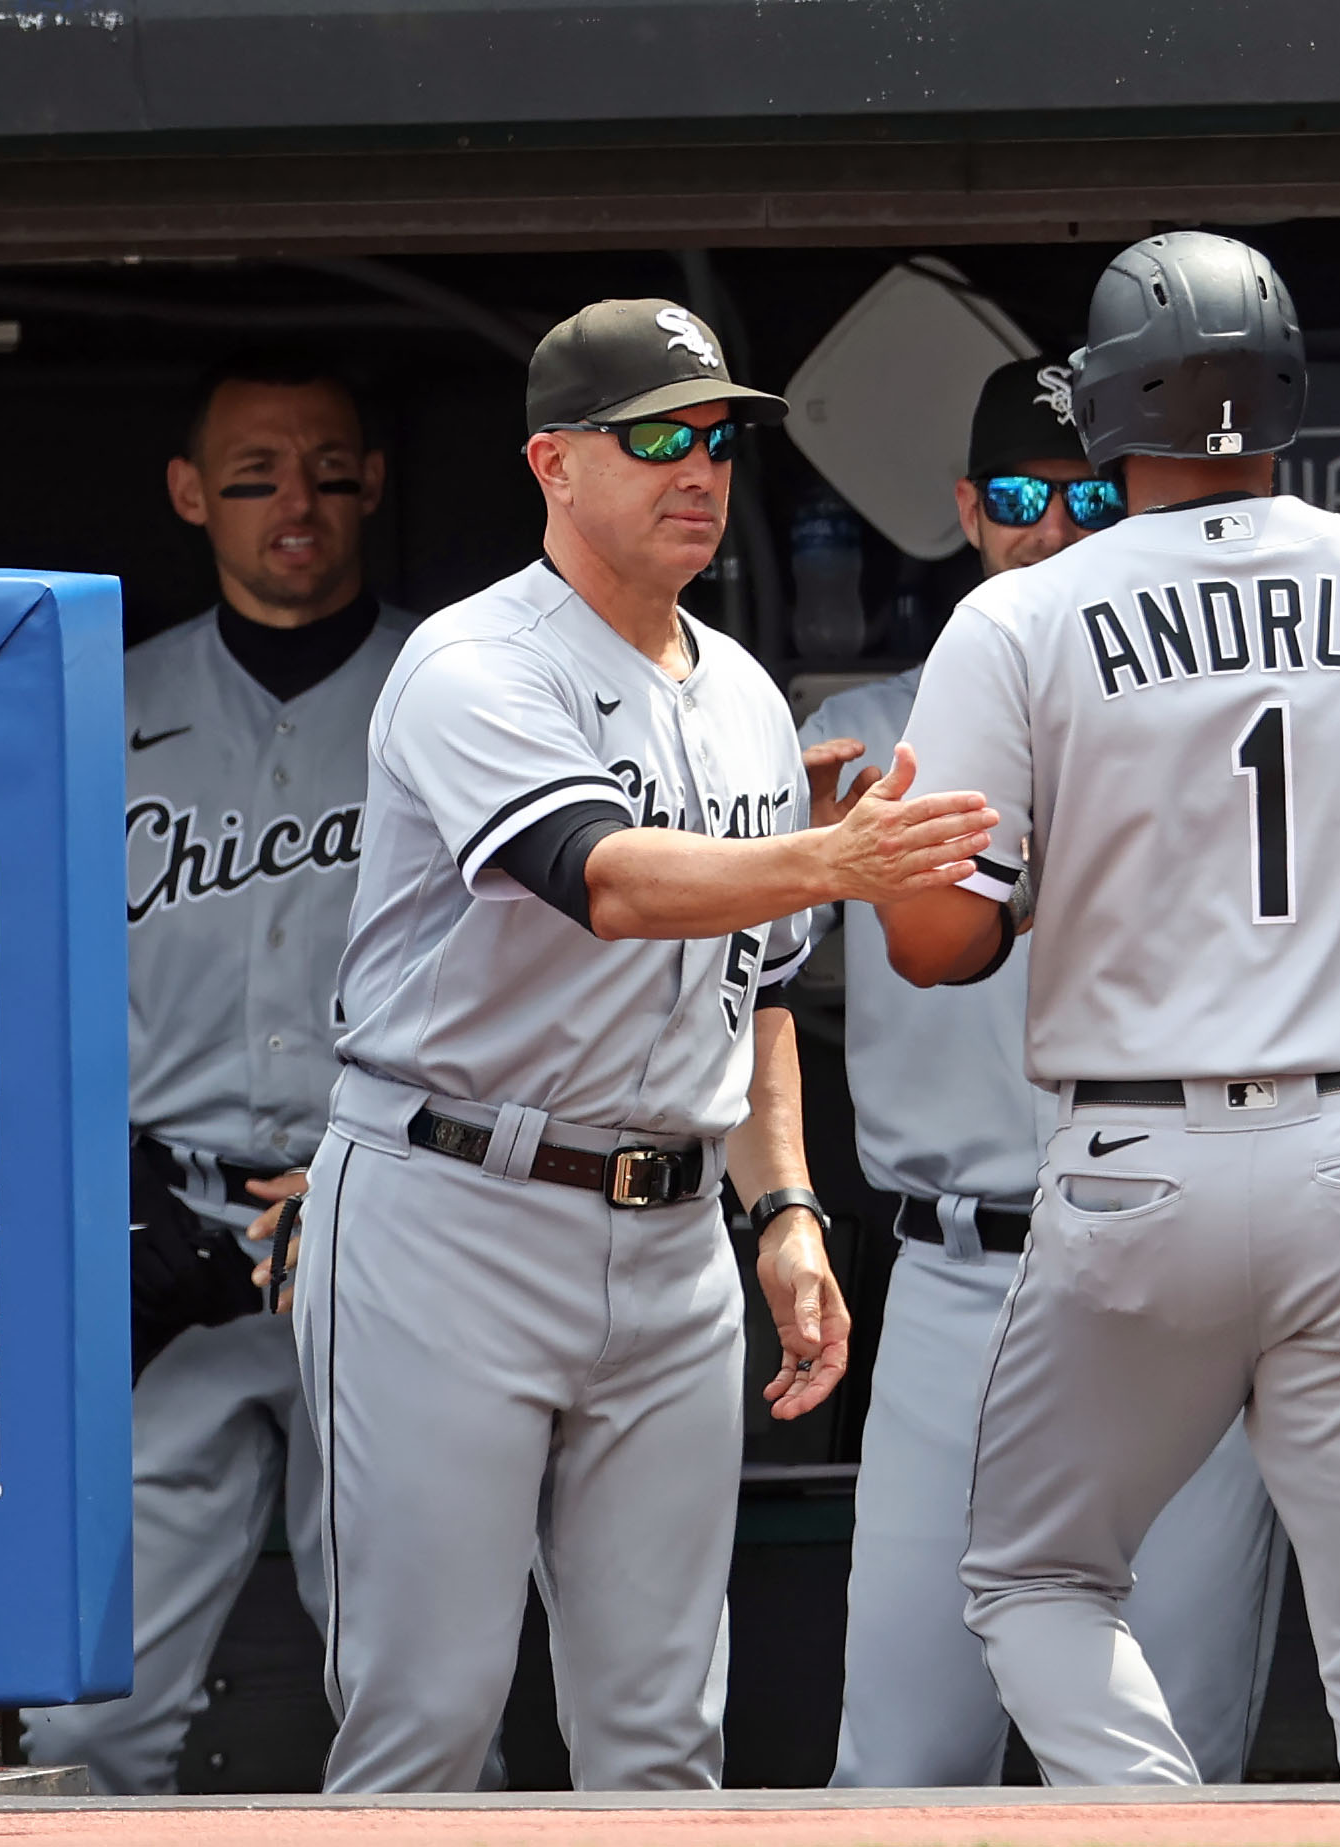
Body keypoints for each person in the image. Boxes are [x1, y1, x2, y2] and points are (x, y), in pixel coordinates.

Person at [881, 233, 1340, 1786]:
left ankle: (1160, 1821)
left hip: (1142, 1157)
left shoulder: (1020, 620)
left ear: (1107, 408)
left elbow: (934, 944)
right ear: (1285, 397)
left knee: (1039, 1576)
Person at [288, 298, 1000, 1792]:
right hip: (453, 1205)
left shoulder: (742, 692)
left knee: (664, 1736)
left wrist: (789, 1206)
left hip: (672, 1231)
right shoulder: (477, 662)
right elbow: (604, 879)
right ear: (552, 460)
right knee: (427, 1712)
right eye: (657, 435)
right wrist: (834, 857)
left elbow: (756, 990)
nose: (699, 467)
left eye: (718, 437)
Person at [803, 357, 1287, 1788]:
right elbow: (749, 985)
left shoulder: (1243, 710)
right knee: (905, 1757)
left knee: (1170, 1753)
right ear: (966, 506)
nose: (1056, 525)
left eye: (1090, 494)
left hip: (1178, 1252)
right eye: (1022, 495)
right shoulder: (860, 728)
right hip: (958, 1271)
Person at [22, 351, 414, 1793]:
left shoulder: (457, 691)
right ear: (192, 495)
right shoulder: (87, 707)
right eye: (252, 475)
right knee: (87, 1716)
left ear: (374, 480)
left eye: (323, 468)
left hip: (387, 1225)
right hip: (165, 1242)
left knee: (420, 1698)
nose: (292, 502)